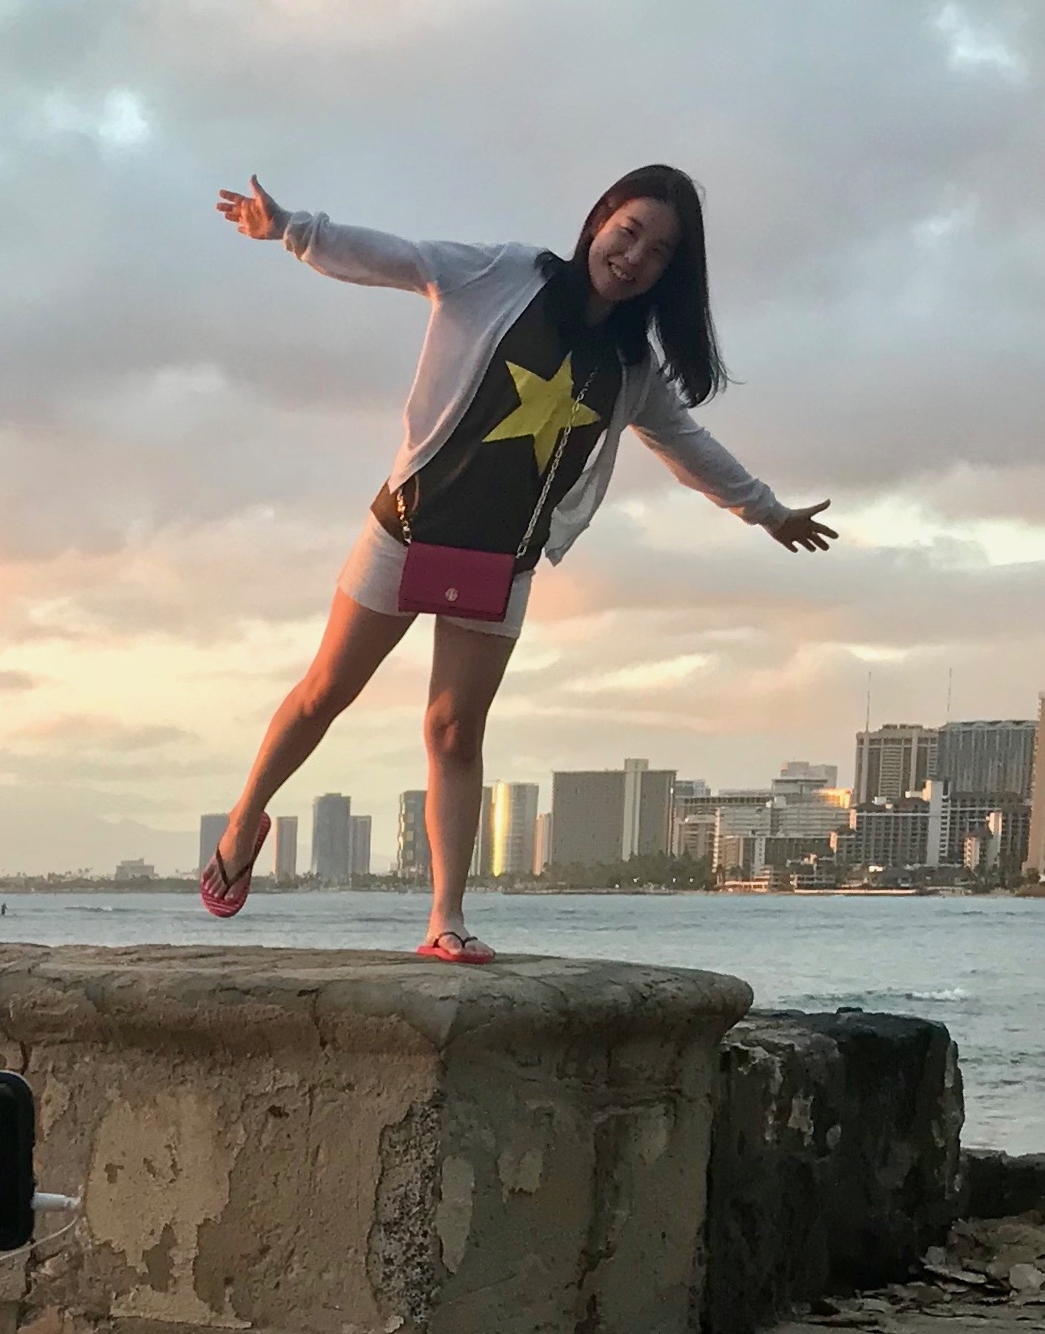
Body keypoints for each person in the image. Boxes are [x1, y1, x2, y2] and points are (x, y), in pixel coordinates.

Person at [199, 165, 837, 960]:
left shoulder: (631, 370)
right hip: (406, 527)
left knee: (454, 731)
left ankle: (445, 918)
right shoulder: (504, 275)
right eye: (629, 232)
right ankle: (244, 820)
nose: (634, 257)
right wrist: (294, 230)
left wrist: (768, 512)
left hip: (499, 562)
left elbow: (689, 447)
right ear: (598, 221)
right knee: (326, 690)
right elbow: (405, 259)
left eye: (659, 253)